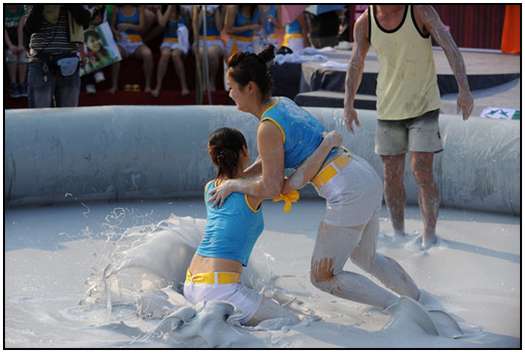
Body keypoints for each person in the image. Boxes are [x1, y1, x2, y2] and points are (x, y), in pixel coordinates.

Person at [209, 46, 423, 313]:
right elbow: (273, 158)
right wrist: (243, 175)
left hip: (347, 190)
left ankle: (403, 310)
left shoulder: (267, 127)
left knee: (323, 276)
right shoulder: (283, 103)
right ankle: (417, 298)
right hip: (362, 175)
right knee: (364, 256)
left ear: (250, 87)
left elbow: (273, 187)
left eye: (232, 87)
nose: (229, 93)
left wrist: (232, 184)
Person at [343, 5, 474, 249]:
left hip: (423, 105)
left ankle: (429, 237)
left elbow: (449, 46)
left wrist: (464, 89)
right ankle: (399, 235)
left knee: (422, 171)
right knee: (391, 175)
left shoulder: (419, 11)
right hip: (388, 108)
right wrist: (348, 103)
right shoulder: (365, 22)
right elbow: (355, 63)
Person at [184, 127, 342, 326]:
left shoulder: (210, 188)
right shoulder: (254, 191)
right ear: (244, 151)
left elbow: (256, 169)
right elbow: (298, 179)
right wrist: (327, 144)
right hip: (220, 290)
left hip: (191, 284)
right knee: (296, 322)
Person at [23, 5, 91, 108]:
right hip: (41, 62)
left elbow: (85, 21)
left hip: (69, 63)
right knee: (39, 114)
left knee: (69, 114)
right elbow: (30, 28)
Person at [109, 5, 153, 94]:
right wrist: (116, 32)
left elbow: (141, 27)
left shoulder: (139, 9)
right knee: (115, 53)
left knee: (148, 54)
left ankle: (148, 85)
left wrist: (128, 26)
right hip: (122, 41)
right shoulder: (117, 9)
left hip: (136, 41)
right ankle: (114, 85)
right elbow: (112, 27)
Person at [152, 5, 190, 98]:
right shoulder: (162, 10)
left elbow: (188, 27)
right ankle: (158, 86)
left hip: (180, 41)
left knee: (175, 55)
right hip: (167, 41)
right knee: (165, 54)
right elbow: (162, 23)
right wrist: (169, 6)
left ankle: (184, 86)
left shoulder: (183, 12)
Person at [192, 5, 225, 92]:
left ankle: (211, 79)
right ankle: (203, 80)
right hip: (201, 39)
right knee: (202, 53)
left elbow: (219, 27)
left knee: (212, 53)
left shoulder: (219, 7)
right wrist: (203, 11)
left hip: (215, 40)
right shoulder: (197, 7)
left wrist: (216, 10)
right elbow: (196, 26)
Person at [5, 4, 28, 98]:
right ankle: (13, 84)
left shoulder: (22, 8)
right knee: (11, 54)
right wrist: (10, 46)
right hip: (6, 42)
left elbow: (21, 28)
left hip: (18, 39)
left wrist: (20, 45)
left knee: (23, 54)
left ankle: (22, 84)